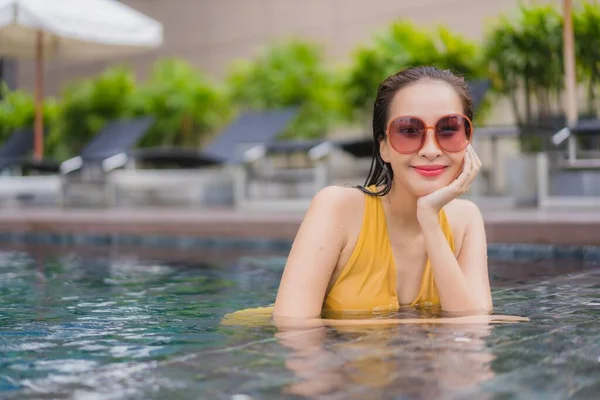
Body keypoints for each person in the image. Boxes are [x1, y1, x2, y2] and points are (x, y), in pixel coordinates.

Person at [222, 66, 528, 327]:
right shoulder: (338, 208)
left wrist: (430, 218)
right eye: (409, 131)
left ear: (467, 140)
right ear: (383, 146)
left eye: (449, 130)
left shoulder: (466, 219)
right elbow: (293, 329)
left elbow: (471, 331)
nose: (431, 149)